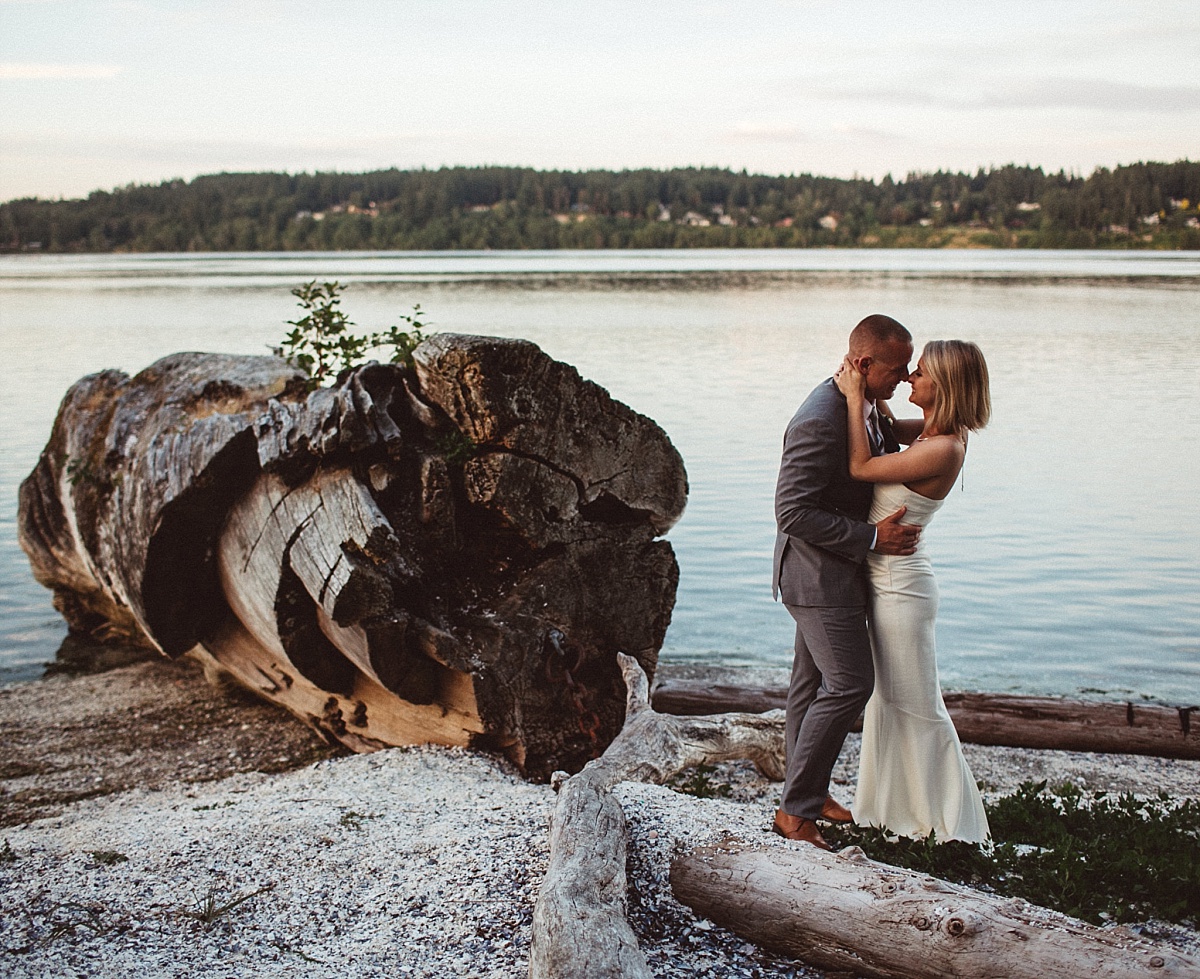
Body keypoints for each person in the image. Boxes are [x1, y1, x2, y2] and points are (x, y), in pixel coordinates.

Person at [771, 314, 920, 851]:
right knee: (851, 685)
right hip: (818, 579)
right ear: (863, 364)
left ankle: (805, 793)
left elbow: (885, 439)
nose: (903, 381)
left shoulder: (862, 403)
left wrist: (948, 418)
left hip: (831, 576)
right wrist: (873, 538)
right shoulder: (821, 418)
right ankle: (795, 813)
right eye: (897, 370)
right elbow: (792, 512)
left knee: (808, 689)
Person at [833, 339, 992, 843]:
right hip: (888, 582)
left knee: (917, 706)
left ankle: (951, 829)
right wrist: (868, 385)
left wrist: (856, 396)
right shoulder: (933, 433)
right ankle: (895, 817)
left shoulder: (943, 447)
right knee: (890, 702)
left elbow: (862, 465)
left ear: (941, 387)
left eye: (917, 373)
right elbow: (882, 429)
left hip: (902, 590)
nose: (909, 379)